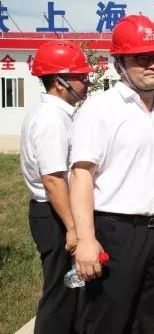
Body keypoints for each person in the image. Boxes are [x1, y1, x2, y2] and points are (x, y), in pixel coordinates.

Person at [69, 14, 154, 334]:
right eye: (142, 59)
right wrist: (86, 239)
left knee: (147, 317)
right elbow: (81, 175)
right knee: (109, 319)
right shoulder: (101, 109)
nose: (153, 65)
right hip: (116, 233)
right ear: (119, 64)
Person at [20, 40, 93, 334]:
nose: (87, 82)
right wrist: (73, 227)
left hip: (56, 212)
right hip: (55, 214)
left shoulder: (56, 113)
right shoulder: (51, 119)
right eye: (81, 76)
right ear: (60, 82)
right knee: (61, 291)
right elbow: (53, 179)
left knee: (73, 289)